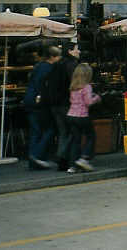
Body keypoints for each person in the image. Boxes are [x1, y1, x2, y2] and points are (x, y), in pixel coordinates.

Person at [23, 46, 61, 170]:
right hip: (39, 102)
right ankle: (37, 155)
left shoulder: (38, 66)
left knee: (35, 131)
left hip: (30, 100)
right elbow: (44, 85)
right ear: (53, 57)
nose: (60, 59)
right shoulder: (48, 68)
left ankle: (33, 158)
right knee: (49, 129)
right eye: (58, 56)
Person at [50, 42, 81, 171]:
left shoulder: (56, 65)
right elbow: (76, 85)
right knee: (73, 132)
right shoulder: (73, 65)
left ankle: (62, 159)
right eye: (76, 49)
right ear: (70, 51)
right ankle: (67, 159)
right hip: (67, 103)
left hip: (55, 104)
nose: (79, 52)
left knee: (63, 132)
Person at [66, 63, 101, 173]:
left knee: (75, 140)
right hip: (82, 116)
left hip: (71, 115)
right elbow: (88, 102)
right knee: (91, 136)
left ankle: (73, 166)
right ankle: (84, 158)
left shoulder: (73, 86)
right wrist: (97, 98)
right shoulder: (87, 87)